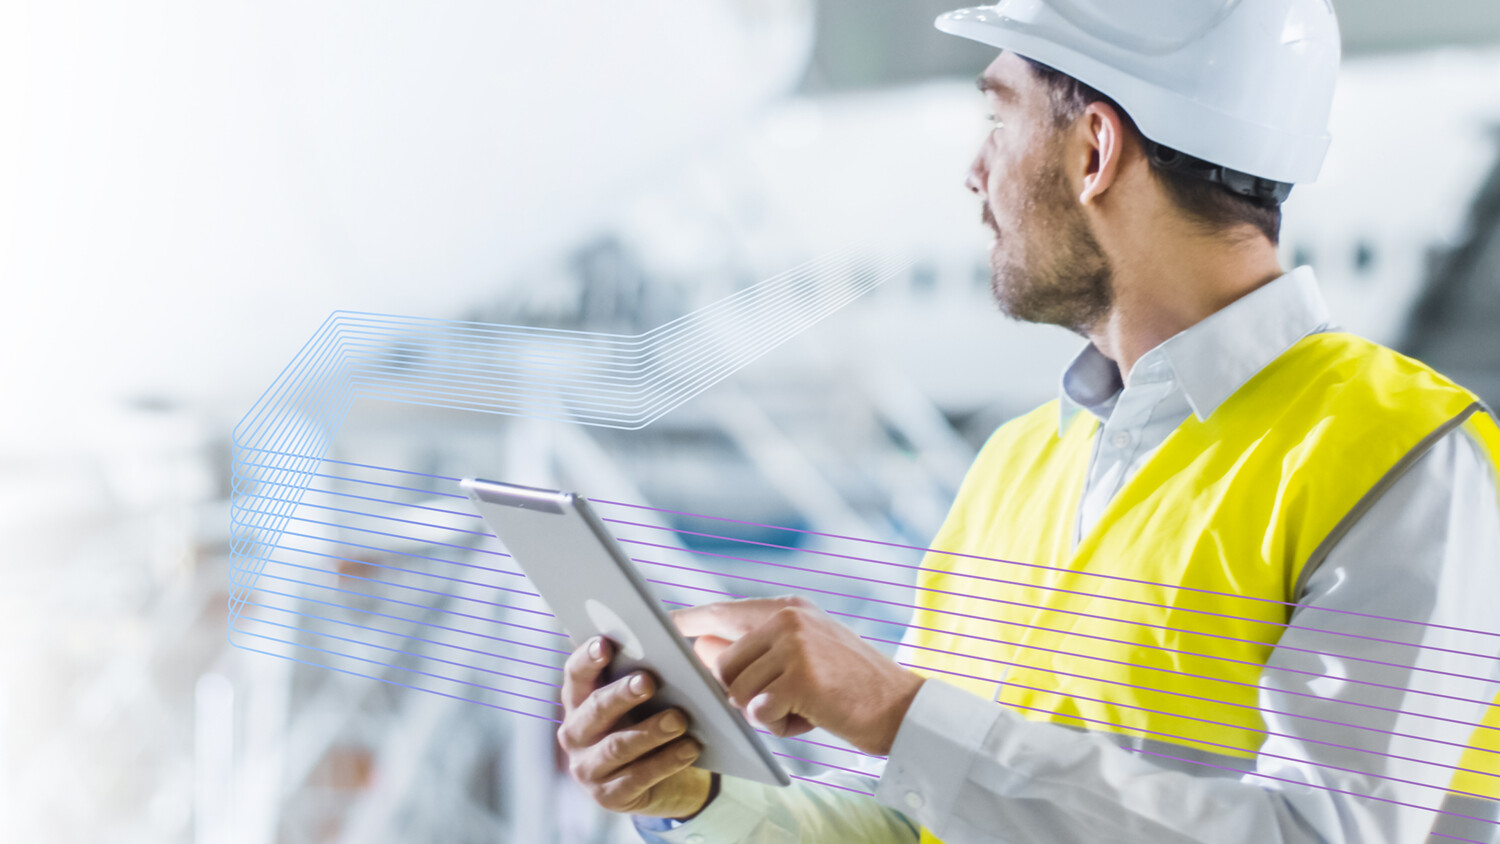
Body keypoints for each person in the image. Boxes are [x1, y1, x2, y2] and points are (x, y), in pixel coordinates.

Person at [556, 1, 1500, 842]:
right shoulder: (1018, 466)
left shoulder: (1405, 460)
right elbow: (921, 821)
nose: (974, 172)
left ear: (1094, 151)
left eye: (997, 116)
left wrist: (897, 710)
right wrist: (698, 799)